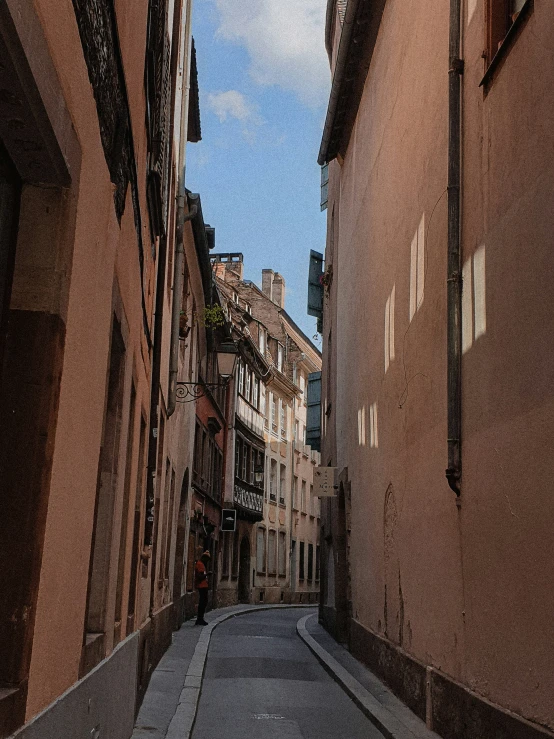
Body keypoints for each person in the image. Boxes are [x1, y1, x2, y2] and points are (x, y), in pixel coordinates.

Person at [194, 550, 210, 625]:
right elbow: (200, 576)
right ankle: (200, 618)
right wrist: (207, 575)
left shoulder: (201, 564)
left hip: (204, 585)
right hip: (201, 586)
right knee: (203, 602)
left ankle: (200, 618)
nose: (207, 561)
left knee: (204, 602)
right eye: (207, 559)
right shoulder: (200, 564)